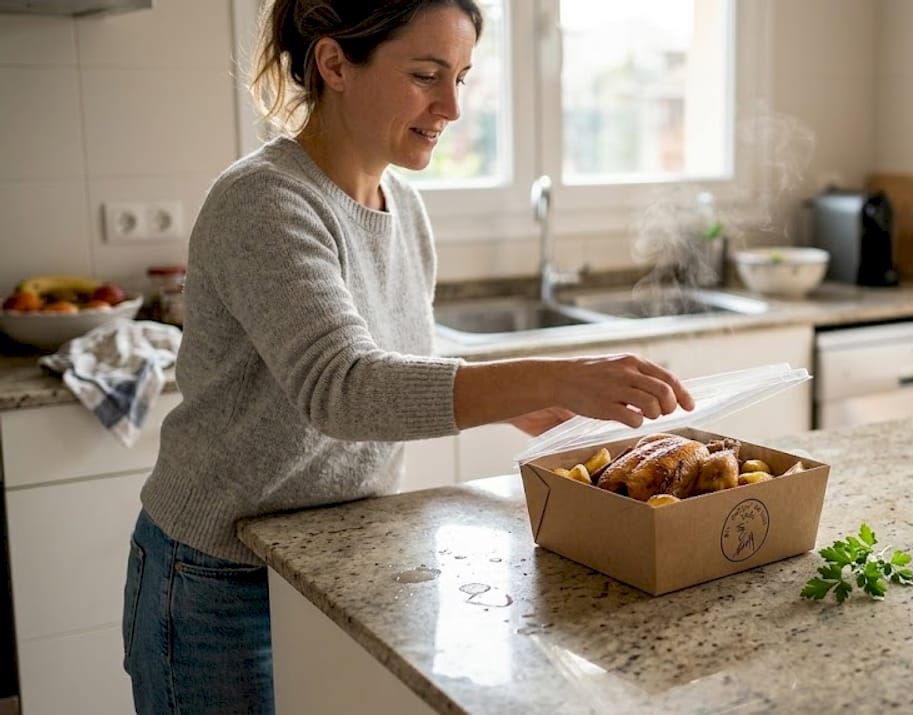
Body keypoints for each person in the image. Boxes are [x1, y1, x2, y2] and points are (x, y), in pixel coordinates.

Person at [120, 1, 694, 713]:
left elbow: (398, 353)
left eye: (461, 76)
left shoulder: (405, 208)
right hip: (219, 578)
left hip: (333, 559)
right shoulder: (263, 202)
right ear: (334, 64)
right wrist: (552, 373)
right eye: (426, 75)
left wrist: (539, 406)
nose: (452, 105)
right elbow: (345, 387)